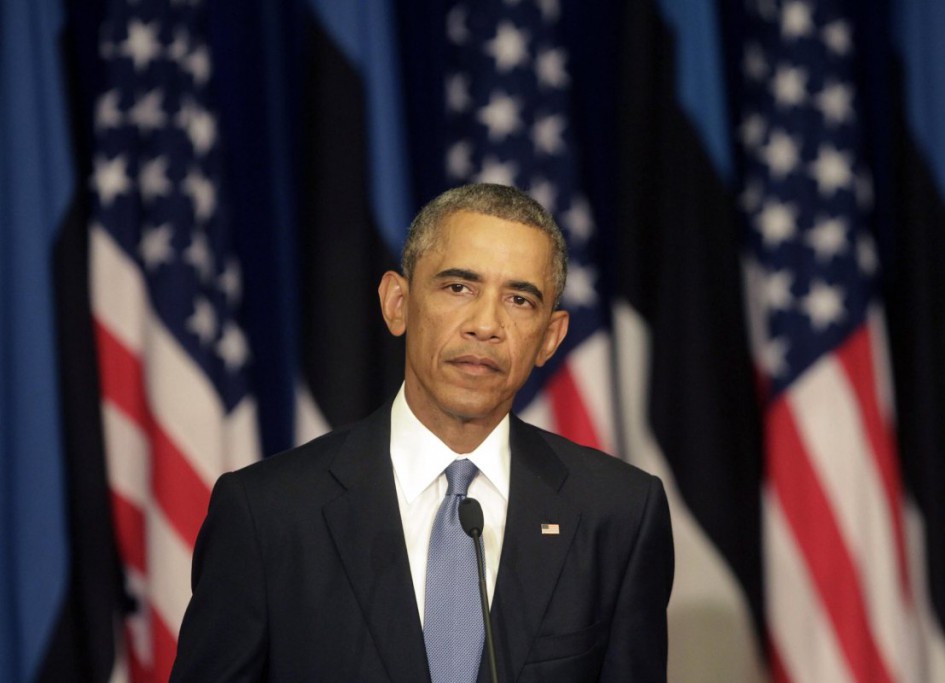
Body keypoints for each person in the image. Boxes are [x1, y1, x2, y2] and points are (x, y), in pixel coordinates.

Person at [170, 184, 674, 682]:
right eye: (459, 288)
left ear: (550, 337)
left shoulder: (619, 514)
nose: (486, 324)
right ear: (397, 303)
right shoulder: (269, 514)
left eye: (519, 299)